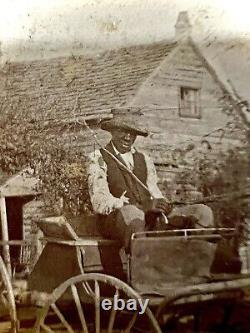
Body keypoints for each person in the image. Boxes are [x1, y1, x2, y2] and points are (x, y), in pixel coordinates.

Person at [87, 107, 214, 249]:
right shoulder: (98, 157)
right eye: (122, 131)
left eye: (133, 132)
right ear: (112, 131)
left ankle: (197, 265)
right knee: (132, 213)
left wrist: (162, 204)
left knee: (202, 212)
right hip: (116, 221)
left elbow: (154, 191)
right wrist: (140, 207)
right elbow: (99, 202)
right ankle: (142, 268)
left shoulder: (144, 159)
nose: (127, 137)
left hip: (147, 220)